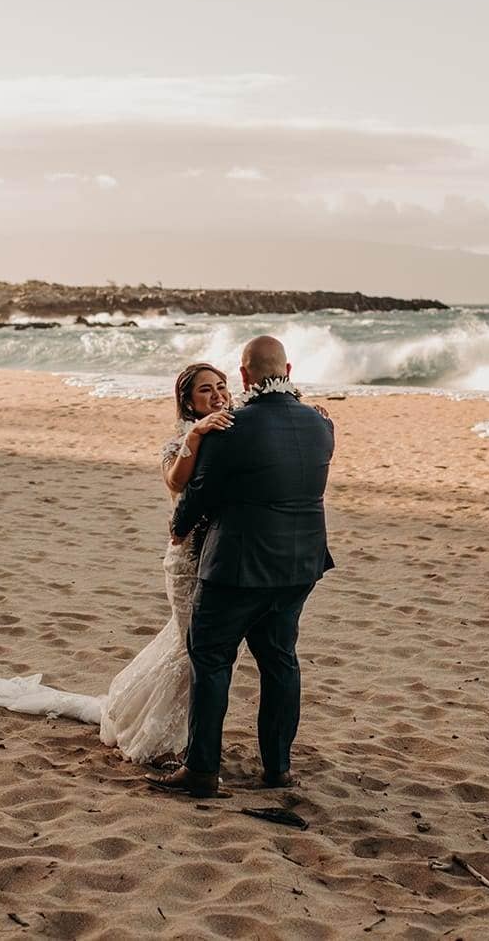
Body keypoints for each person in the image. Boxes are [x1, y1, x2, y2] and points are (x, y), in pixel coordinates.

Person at [0, 362, 234, 763]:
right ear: (187, 401)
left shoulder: (233, 432)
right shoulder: (180, 443)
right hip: (185, 561)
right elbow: (175, 483)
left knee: (189, 649)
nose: (217, 395)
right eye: (206, 390)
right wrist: (197, 435)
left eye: (221, 386)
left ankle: (176, 728)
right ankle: (149, 731)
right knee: (191, 647)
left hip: (219, 558)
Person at [149, 336, 335, 798]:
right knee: (280, 663)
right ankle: (277, 769)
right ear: (288, 370)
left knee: (211, 660)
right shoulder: (320, 424)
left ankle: (202, 771)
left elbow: (200, 493)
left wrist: (179, 527)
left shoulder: (231, 427)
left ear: (245, 376)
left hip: (237, 566)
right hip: (300, 564)